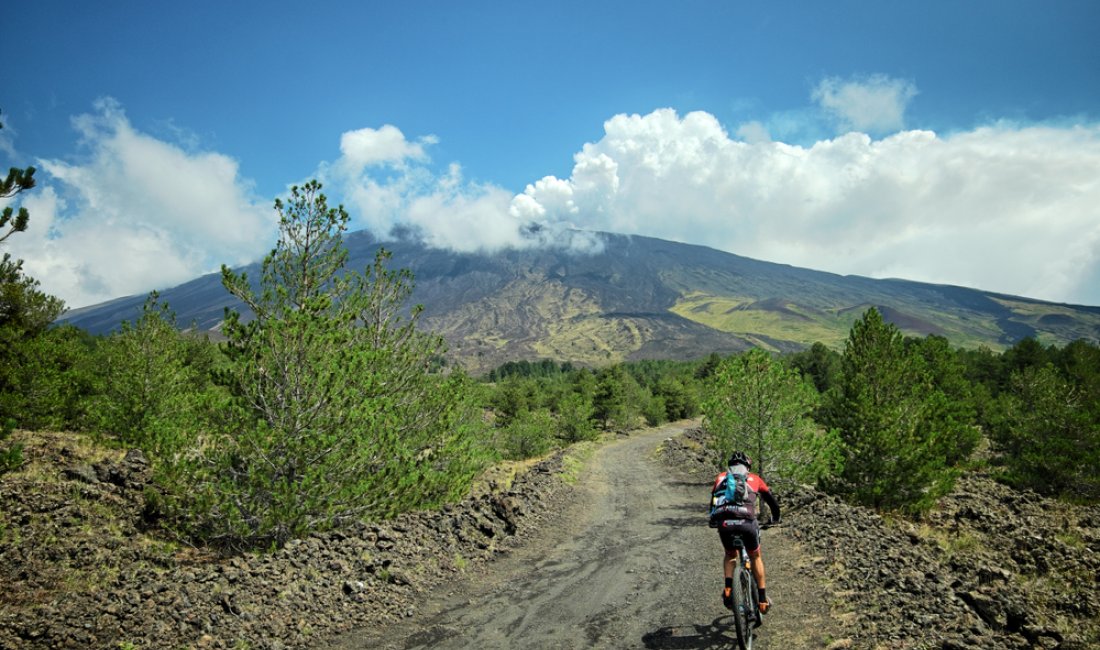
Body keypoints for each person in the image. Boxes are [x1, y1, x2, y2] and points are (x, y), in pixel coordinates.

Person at [709, 451, 780, 614]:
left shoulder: (721, 478)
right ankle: (762, 600)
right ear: (748, 467)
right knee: (755, 556)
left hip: (725, 523)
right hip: (747, 523)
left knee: (730, 555)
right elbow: (772, 503)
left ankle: (728, 591)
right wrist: (775, 518)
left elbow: (713, 502)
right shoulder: (755, 479)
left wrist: (713, 520)